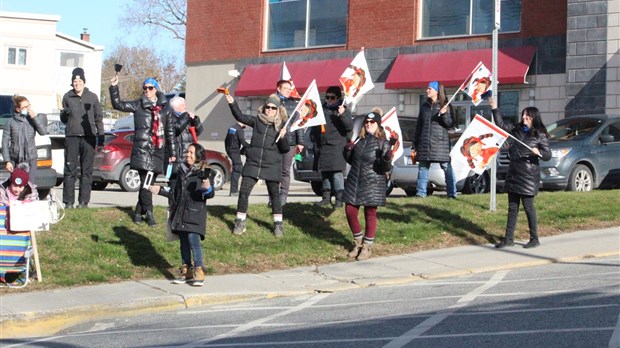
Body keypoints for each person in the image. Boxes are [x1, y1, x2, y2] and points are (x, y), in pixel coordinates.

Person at [110, 76, 176, 226]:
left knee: (147, 183)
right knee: (146, 182)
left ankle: (139, 212)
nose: (147, 91)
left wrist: (172, 153)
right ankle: (150, 213)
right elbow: (118, 104)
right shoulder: (138, 105)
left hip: (158, 151)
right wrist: (114, 88)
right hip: (142, 149)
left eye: (150, 88)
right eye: (145, 88)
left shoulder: (166, 108)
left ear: (156, 89)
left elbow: (170, 131)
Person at [489, 98, 551, 249]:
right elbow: (502, 125)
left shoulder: (539, 135)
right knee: (512, 208)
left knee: (528, 207)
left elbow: (548, 154)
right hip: (514, 174)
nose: (524, 118)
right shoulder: (517, 130)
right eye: (523, 115)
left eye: (527, 116)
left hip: (528, 176)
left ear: (533, 118)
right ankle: (508, 239)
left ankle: (534, 238)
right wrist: (495, 109)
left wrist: (539, 152)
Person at [224, 92, 289, 237]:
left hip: (272, 165)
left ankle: (278, 225)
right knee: (244, 192)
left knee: (274, 196)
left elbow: (285, 149)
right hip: (253, 164)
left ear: (278, 110)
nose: (270, 110)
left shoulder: (282, 126)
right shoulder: (257, 121)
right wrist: (231, 102)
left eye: (273, 108)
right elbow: (240, 116)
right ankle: (240, 222)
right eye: (268, 107)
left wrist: (283, 137)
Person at [149, 143, 214, 286]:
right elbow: (174, 193)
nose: (187, 155)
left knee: (193, 242)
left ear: (198, 155)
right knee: (184, 244)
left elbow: (210, 194)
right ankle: (186, 271)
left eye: (191, 153)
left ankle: (199, 270)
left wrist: (206, 187)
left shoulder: (205, 171)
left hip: (195, 215)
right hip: (181, 213)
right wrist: (159, 190)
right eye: (187, 152)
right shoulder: (181, 172)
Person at [342, 112, 394, 261]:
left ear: (378, 124)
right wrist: (347, 150)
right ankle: (358, 242)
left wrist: (386, 158)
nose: (368, 124)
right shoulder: (360, 140)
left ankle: (367, 246)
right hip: (355, 181)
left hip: (373, 182)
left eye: (372, 122)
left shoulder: (382, 142)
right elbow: (351, 160)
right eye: (366, 122)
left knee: (370, 213)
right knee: (350, 210)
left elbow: (384, 168)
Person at [60, 67, 104, 209]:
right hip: (72, 137)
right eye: (74, 81)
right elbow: (63, 119)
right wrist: (65, 113)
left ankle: (84, 202)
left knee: (86, 171)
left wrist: (101, 138)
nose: (77, 83)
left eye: (79, 81)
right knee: (69, 170)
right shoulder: (67, 97)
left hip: (88, 138)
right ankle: (68, 202)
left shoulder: (92, 97)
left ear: (84, 82)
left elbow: (98, 118)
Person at [412, 81, 457, 199]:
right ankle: (420, 193)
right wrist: (415, 144)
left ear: (436, 91)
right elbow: (419, 126)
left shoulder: (446, 106)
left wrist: (443, 114)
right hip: (424, 144)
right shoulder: (424, 107)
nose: (427, 91)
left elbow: (450, 124)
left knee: (447, 168)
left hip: (440, 144)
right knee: (422, 168)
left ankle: (452, 193)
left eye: (429, 89)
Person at [311, 86, 353, 208]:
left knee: (336, 174)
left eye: (332, 97)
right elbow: (315, 127)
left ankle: (339, 200)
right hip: (323, 146)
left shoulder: (343, 110)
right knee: (325, 173)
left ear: (338, 98)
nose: (329, 100)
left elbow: (349, 127)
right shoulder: (321, 109)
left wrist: (343, 114)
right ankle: (326, 198)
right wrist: (314, 139)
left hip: (337, 146)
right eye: (327, 97)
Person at [2, 96, 48, 181]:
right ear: (18, 109)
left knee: (30, 185)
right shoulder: (10, 122)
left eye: (29, 106)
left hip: (31, 158)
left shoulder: (33, 119)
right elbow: (4, 143)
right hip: (15, 159)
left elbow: (43, 132)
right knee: (17, 184)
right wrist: (7, 161)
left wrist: (34, 118)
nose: (28, 109)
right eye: (25, 107)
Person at [275, 80, 305, 206]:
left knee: (285, 170)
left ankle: (283, 197)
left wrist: (300, 141)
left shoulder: (293, 104)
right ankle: (273, 196)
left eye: (289, 88)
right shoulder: (272, 102)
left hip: (290, 141)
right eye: (286, 88)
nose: (288, 90)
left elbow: (298, 125)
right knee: (274, 170)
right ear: (278, 88)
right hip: (274, 142)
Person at [168, 96, 204, 187]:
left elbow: (199, 131)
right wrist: (186, 116)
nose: (186, 107)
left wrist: (196, 120)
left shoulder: (187, 118)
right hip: (177, 157)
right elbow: (178, 128)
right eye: (183, 105)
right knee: (176, 184)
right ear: (176, 107)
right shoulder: (170, 118)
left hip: (189, 155)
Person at [225, 121, 250, 196]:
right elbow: (243, 142)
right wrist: (252, 146)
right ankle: (234, 191)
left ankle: (235, 190)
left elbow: (226, 140)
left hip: (230, 150)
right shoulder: (239, 130)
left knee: (238, 168)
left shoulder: (232, 128)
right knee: (238, 169)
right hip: (235, 151)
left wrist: (227, 150)